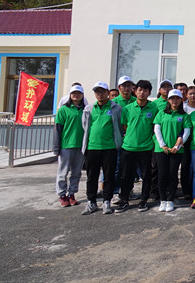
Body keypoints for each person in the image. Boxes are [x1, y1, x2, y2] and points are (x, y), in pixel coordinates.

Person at [80, 82, 123, 215]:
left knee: (109, 176)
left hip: (110, 148)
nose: (100, 94)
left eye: (102, 91)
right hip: (92, 147)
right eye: (97, 92)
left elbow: (119, 125)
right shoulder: (89, 108)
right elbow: (85, 125)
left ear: (107, 93)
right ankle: (91, 202)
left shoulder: (116, 108)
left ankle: (107, 201)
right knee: (91, 176)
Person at [117, 79, 156, 212]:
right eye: (140, 90)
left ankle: (144, 200)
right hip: (128, 147)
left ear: (149, 93)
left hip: (146, 148)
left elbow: (154, 128)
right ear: (135, 91)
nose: (142, 93)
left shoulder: (154, 109)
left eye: (145, 90)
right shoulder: (127, 108)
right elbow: (124, 126)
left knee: (146, 176)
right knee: (126, 176)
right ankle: (124, 200)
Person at [153, 89, 191, 212]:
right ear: (168, 100)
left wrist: (177, 147)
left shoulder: (184, 115)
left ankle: (170, 199)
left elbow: (186, 132)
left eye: (177, 98)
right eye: (172, 98)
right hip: (161, 149)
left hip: (176, 150)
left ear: (181, 100)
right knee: (162, 174)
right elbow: (157, 129)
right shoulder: (161, 113)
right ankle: (163, 199)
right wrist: (163, 145)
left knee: (172, 174)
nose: (175, 100)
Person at [53, 84, 86, 207]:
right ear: (70, 95)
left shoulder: (86, 110)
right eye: (74, 93)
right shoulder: (63, 110)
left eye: (78, 93)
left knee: (76, 173)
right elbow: (58, 129)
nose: (76, 95)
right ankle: (62, 195)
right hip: (66, 145)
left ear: (82, 95)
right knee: (63, 173)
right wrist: (56, 147)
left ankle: (72, 194)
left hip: (80, 146)